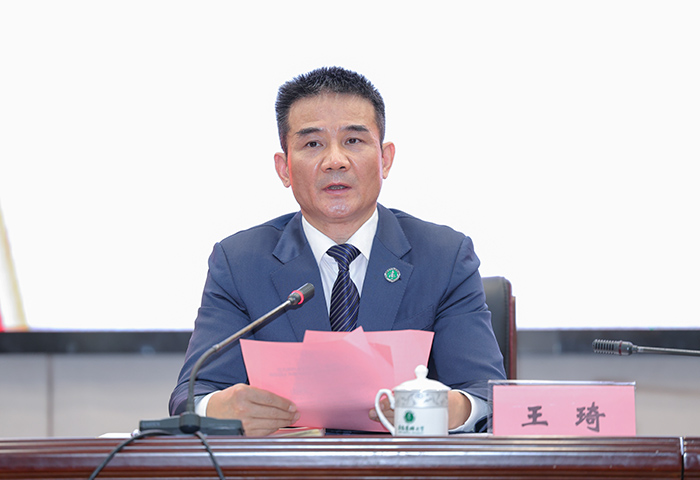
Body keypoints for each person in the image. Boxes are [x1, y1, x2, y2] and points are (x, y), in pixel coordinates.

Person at [169, 66, 506, 436]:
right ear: (284, 168)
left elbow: (487, 395)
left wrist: (448, 408)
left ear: (385, 159)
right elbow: (192, 394)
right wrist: (219, 408)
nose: (335, 160)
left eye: (354, 141)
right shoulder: (239, 262)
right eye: (312, 144)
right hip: (286, 465)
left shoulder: (443, 256)